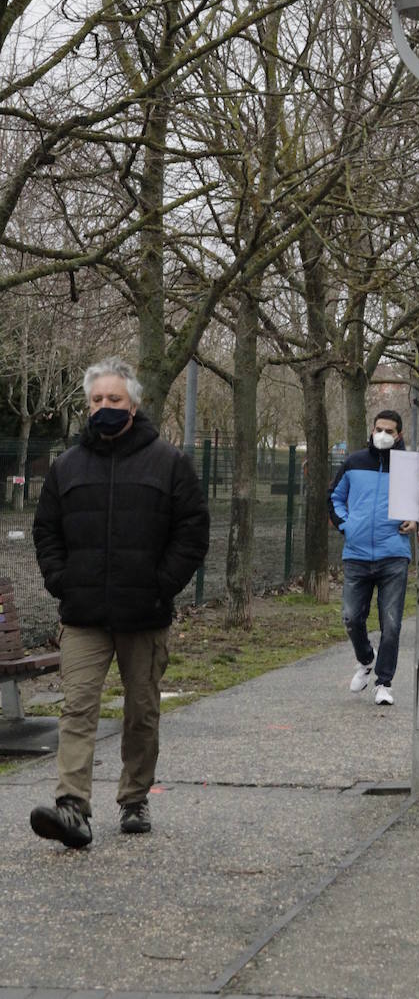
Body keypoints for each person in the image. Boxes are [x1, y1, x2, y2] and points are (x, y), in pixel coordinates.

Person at [30, 357, 210, 850]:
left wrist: (161, 584)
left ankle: (134, 798)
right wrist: (62, 581)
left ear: (133, 403)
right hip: (84, 614)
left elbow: (192, 530)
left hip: (143, 612)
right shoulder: (67, 466)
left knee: (142, 711)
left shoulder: (169, 463)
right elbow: (46, 531)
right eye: (96, 400)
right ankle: (72, 807)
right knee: (78, 708)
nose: (104, 407)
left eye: (113, 399)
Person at [328, 410, 415, 707]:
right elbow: (334, 497)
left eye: (390, 431)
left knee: (391, 624)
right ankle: (365, 659)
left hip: (394, 554)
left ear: (399, 435)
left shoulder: (409, 467)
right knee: (351, 617)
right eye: (379, 429)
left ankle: (384, 682)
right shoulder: (354, 462)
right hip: (357, 554)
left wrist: (414, 520)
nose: (383, 435)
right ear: (372, 429)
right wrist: (346, 525)